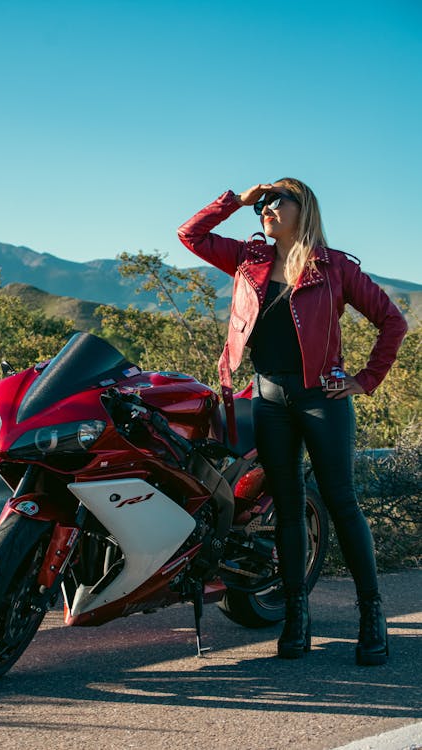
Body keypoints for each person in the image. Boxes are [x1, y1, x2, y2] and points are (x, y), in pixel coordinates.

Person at [177, 179, 408, 665]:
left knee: (342, 504)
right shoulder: (248, 259)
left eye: (276, 201)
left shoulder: (335, 266)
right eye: (262, 203)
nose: (266, 209)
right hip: (268, 398)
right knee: (285, 506)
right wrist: (235, 200)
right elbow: (190, 236)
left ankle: (372, 615)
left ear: (304, 209)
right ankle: (295, 616)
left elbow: (393, 321)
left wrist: (366, 380)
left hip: (322, 399)